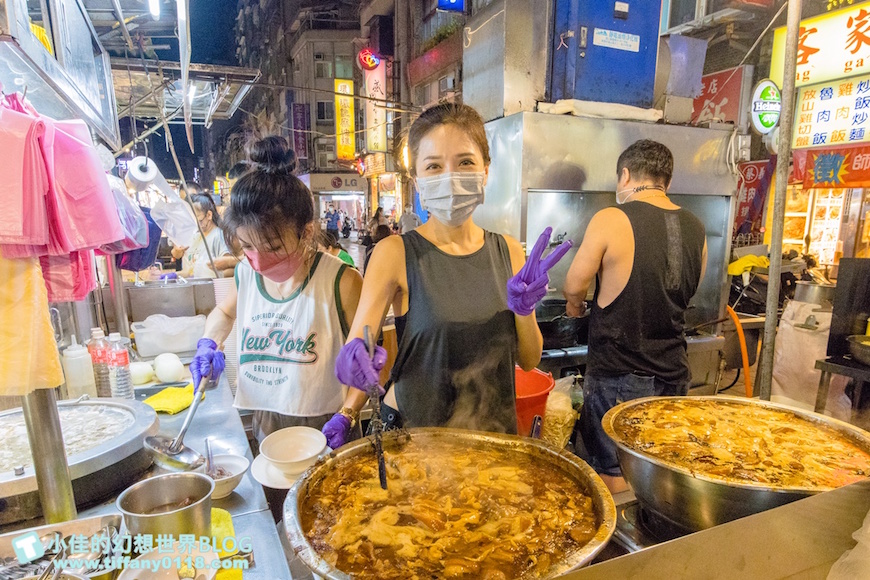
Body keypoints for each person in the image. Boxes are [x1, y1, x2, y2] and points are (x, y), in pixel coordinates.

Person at [321, 103, 571, 448]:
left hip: (492, 437)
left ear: (486, 170)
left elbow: (528, 361)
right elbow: (360, 340)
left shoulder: (509, 251)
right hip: (414, 439)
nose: (450, 176)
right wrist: (349, 405)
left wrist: (524, 312)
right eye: (434, 166)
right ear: (418, 181)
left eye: (465, 162)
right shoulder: (395, 252)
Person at [189, 136, 363, 518]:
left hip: (328, 424)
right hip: (268, 420)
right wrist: (208, 343)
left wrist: (349, 414)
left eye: (272, 247)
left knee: (334, 520)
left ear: (305, 232)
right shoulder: (245, 274)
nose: (258, 261)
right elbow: (224, 314)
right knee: (280, 518)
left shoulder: (341, 281)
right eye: (248, 246)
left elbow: (368, 360)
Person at [563, 139, 707, 493]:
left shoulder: (612, 217)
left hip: (620, 376)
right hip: (674, 373)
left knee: (613, 470)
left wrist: (575, 307)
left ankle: (624, 548)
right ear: (666, 182)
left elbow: (574, 282)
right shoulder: (696, 227)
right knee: (659, 464)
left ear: (625, 175)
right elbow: (689, 290)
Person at [170, 193, 237, 278]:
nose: (195, 224)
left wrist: (210, 276)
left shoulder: (218, 236)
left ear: (209, 215)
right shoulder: (194, 237)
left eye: (197, 219)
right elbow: (189, 271)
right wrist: (174, 275)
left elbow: (230, 269)